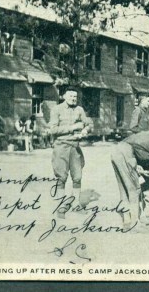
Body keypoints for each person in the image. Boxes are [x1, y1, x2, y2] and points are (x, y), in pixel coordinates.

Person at [49, 86, 95, 218]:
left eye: (75, 97)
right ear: (64, 96)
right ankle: (61, 206)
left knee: (77, 177)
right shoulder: (56, 109)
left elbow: (89, 124)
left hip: (75, 147)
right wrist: (72, 127)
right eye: (71, 96)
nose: (74, 99)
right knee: (61, 177)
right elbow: (53, 130)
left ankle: (76, 205)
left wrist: (86, 130)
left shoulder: (79, 110)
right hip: (61, 146)